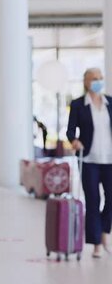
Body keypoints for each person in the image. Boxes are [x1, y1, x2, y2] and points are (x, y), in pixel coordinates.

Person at [67, 67, 112, 258]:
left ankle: (104, 232)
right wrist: (74, 141)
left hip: (109, 159)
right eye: (94, 78)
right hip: (89, 160)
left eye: (100, 78)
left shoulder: (110, 102)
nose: (98, 81)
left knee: (110, 198)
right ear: (86, 81)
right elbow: (70, 131)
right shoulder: (78, 104)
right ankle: (96, 244)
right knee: (93, 200)